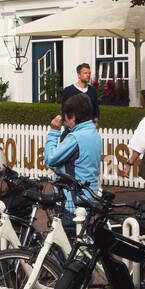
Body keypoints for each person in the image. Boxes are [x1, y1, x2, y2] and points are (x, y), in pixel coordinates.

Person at [45, 92, 102, 232]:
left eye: (66, 118)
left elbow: (51, 159)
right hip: (89, 197)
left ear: (73, 117)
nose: (65, 122)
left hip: (72, 203)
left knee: (67, 249)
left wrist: (53, 131)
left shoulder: (76, 138)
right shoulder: (94, 134)